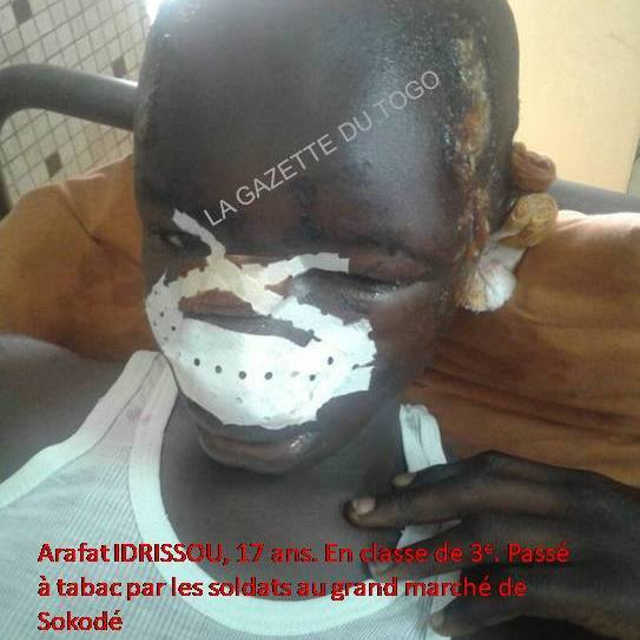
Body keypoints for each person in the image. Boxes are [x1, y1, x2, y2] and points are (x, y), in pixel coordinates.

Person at [0, 1, 638, 639]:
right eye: (179, 239)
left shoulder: (523, 591)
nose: (243, 357)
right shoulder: (24, 408)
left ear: (485, 245)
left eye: (363, 275)